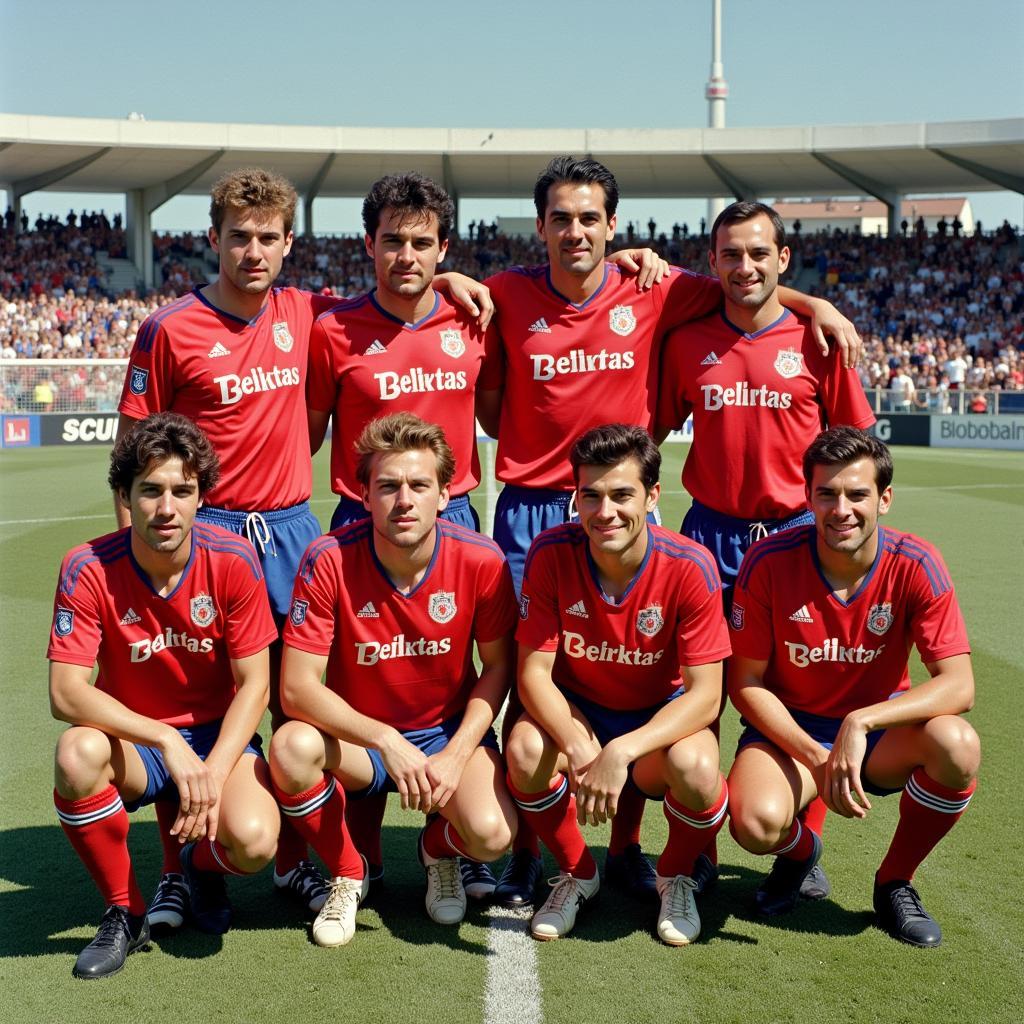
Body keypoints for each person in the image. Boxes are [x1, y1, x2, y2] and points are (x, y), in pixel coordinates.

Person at [115, 167, 492, 920]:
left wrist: (445, 276)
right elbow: (130, 459)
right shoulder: (167, 328)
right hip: (208, 531)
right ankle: (183, 868)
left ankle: (298, 861)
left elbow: (398, 288)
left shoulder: (313, 312)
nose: (253, 251)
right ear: (213, 239)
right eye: (239, 237)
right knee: (195, 695)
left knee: (302, 706)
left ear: (291, 244)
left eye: (267, 237)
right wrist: (138, 563)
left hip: (291, 529)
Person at [486, 162, 860, 906]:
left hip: (660, 513)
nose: (575, 231)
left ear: (613, 225)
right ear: (541, 226)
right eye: (561, 218)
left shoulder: (656, 288)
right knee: (549, 686)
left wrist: (815, 301)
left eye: (589, 218)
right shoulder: (502, 292)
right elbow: (491, 399)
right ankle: (535, 847)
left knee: (692, 679)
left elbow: (744, 286)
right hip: (536, 509)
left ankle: (684, 845)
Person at [655, 199, 876, 903]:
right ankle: (694, 846)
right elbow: (651, 431)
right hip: (708, 539)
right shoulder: (689, 340)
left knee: (793, 692)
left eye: (759, 254)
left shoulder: (819, 341)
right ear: (712, 261)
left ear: (783, 260)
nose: (744, 266)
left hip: (794, 544)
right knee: (696, 697)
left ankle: (799, 848)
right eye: (730, 254)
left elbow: (859, 449)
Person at [269, 413, 519, 946]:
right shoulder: (328, 558)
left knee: (494, 835)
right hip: (363, 743)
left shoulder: (481, 559)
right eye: (387, 485)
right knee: (291, 748)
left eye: (418, 485)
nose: (403, 499)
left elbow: (498, 667)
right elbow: (295, 687)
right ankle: (347, 871)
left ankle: (439, 848)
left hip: (444, 732)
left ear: (446, 494)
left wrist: (455, 754)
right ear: (364, 494)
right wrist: (385, 739)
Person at [48, 413, 281, 979]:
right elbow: (65, 693)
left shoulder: (233, 559)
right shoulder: (87, 566)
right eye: (150, 490)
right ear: (125, 495)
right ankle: (125, 911)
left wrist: (214, 770)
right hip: (137, 740)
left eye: (183, 490)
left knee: (253, 843)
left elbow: (256, 684)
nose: (166, 507)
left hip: (216, 736)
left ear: (202, 496)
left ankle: (195, 869)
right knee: (76, 755)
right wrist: (164, 739)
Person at [726, 427, 979, 947]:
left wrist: (860, 721)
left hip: (877, 736)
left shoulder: (916, 562)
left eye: (858, 494)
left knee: (958, 745)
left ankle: (894, 883)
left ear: (884, 499)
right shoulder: (768, 561)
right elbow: (745, 683)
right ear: (808, 497)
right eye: (828, 493)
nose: (842, 508)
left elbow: (959, 685)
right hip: (791, 734)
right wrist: (817, 756)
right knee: (754, 824)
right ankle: (802, 854)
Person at [505, 424, 731, 944]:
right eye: (592, 495)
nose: (605, 511)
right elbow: (533, 672)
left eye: (622, 494)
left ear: (652, 496)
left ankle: (674, 878)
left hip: (656, 718)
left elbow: (706, 695)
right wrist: (582, 744)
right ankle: (577, 872)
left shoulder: (691, 566)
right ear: (576, 498)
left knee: (697, 769)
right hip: (583, 708)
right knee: (523, 748)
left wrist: (622, 751)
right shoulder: (550, 552)